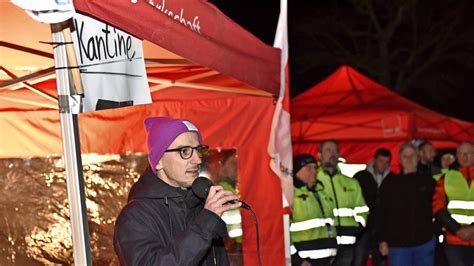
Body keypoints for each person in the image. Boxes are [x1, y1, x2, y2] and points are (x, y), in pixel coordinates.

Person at [113, 117, 241, 265]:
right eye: (184, 151)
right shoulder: (134, 217)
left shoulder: (200, 206)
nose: (197, 160)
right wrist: (204, 224)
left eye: (198, 150)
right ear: (159, 161)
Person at [377, 143, 436, 266]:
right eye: (405, 156)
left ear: (418, 158)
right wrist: (382, 240)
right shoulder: (390, 183)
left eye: (412, 155)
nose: (409, 159)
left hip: (424, 243)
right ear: (399, 160)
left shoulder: (429, 182)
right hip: (398, 246)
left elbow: (438, 208)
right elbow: (381, 213)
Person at [316, 141, 369, 266]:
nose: (332, 154)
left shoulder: (351, 183)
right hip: (322, 247)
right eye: (328, 150)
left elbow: (362, 209)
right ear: (319, 155)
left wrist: (357, 227)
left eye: (335, 151)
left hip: (346, 246)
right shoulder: (313, 182)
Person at [290, 154, 338, 266]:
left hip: (328, 260)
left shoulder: (322, 192)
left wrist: (334, 249)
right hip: (305, 262)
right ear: (297, 171)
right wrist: (296, 259)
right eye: (308, 167)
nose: (313, 171)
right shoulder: (290, 195)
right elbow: (282, 232)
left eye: (315, 167)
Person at [432, 141, 474, 266]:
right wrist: (457, 230)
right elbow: (437, 207)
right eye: (460, 153)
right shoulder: (445, 178)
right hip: (454, 239)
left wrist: (472, 229)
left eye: (468, 153)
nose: (464, 157)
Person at [353, 148, 393, 266]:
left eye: (387, 162)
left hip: (383, 228)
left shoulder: (392, 179)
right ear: (374, 160)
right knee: (359, 259)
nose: (383, 164)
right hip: (363, 228)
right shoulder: (361, 177)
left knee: (381, 260)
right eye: (381, 161)